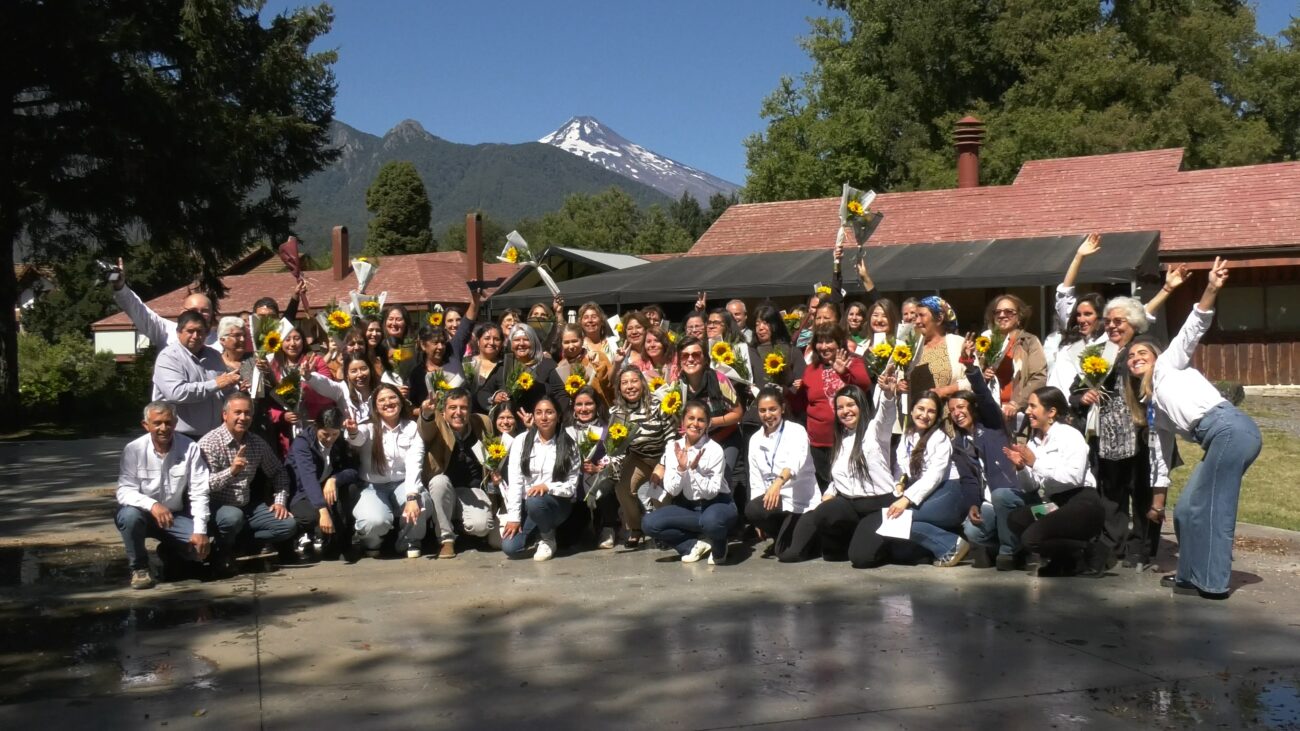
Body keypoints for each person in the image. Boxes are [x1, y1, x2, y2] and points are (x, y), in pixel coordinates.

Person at [1128, 258, 1261, 599]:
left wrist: (1212, 288)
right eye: (1130, 357)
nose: (1135, 357)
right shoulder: (1154, 412)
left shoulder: (1171, 364)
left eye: (1142, 351)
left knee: (1214, 506)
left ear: (1156, 356)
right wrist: (1158, 506)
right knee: (1187, 510)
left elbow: (1193, 327)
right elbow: (1159, 464)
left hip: (1229, 428)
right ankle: (1189, 576)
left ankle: (1213, 583)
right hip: (1219, 437)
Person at [779, 382, 897, 565]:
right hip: (850, 504)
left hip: (878, 506)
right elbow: (840, 475)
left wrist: (888, 394)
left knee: (861, 558)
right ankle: (849, 540)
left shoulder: (875, 431)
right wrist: (829, 493)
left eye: (851, 405)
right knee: (823, 513)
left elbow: (887, 414)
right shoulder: (841, 437)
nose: (845, 411)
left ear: (861, 405)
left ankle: (882, 541)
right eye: (840, 407)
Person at [1003, 387, 1104, 577]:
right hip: (1056, 505)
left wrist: (1035, 462)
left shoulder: (1069, 435)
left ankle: (1090, 550)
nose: (1027, 411)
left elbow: (1074, 477)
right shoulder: (1034, 443)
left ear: (1051, 412)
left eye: (1033, 406)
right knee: (1017, 519)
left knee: (1031, 538)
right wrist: (1022, 467)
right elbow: (1031, 486)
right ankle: (1066, 560)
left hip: (1082, 503)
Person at [115, 401, 211, 588]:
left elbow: (199, 491)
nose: (163, 428)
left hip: (174, 517)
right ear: (146, 425)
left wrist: (200, 531)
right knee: (129, 517)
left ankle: (170, 550)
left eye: (168, 423)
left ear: (175, 423)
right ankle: (139, 568)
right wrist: (152, 505)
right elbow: (124, 490)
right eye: (157, 423)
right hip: (142, 514)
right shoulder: (133, 449)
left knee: (201, 553)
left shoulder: (190, 447)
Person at [198, 392, 296, 570]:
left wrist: (280, 502)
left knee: (287, 525)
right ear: (225, 414)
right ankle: (223, 550)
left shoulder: (256, 442)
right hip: (218, 506)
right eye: (237, 412)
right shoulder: (209, 442)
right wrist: (232, 472)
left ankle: (241, 544)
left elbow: (278, 472)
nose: (243, 417)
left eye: (247, 413)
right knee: (232, 517)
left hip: (247, 505)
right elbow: (204, 486)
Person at [949, 341, 1020, 569]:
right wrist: (973, 504)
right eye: (952, 411)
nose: (957, 413)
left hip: (1011, 494)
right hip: (988, 501)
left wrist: (970, 367)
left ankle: (1009, 552)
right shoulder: (959, 443)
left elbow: (984, 395)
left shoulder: (992, 424)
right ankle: (1002, 545)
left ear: (972, 408)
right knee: (972, 530)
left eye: (961, 407)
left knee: (1001, 497)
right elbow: (969, 479)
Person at [643, 401, 739, 565]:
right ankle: (691, 546)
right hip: (690, 508)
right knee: (649, 523)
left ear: (708, 423)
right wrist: (681, 468)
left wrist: (694, 470)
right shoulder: (674, 447)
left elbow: (712, 492)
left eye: (701, 420)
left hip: (717, 504)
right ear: (683, 421)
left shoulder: (714, 449)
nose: (695, 423)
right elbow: (672, 491)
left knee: (711, 522)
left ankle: (719, 544)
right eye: (691, 418)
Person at [887, 390, 972, 567]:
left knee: (899, 518)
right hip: (929, 492)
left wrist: (906, 499)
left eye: (931, 411)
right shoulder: (907, 435)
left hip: (950, 492)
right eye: (920, 409)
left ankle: (950, 544)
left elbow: (935, 476)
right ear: (911, 410)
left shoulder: (939, 438)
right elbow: (900, 466)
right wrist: (899, 484)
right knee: (895, 521)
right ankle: (943, 541)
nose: (924, 415)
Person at [346, 383, 431, 559]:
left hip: (402, 483)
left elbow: (415, 462)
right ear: (375, 407)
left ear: (400, 401)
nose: (388, 402)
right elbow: (357, 439)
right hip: (372, 486)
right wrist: (352, 431)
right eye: (382, 400)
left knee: (421, 502)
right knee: (374, 521)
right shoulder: (367, 427)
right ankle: (371, 542)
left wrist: (412, 496)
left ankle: (409, 539)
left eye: (392, 397)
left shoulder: (412, 427)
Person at [420, 387, 501, 558]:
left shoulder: (482, 422)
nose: (458, 412)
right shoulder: (436, 423)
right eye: (453, 407)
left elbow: (494, 451)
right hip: (444, 490)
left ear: (470, 410)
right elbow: (424, 429)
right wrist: (426, 414)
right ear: (443, 411)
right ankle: (446, 540)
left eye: (463, 408)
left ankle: (458, 527)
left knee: (481, 527)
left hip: (472, 489)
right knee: (439, 481)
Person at [788, 324, 871, 489]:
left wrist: (844, 372)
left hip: (847, 439)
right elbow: (802, 404)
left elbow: (865, 384)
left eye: (829, 341)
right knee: (825, 486)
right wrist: (794, 391)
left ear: (839, 342)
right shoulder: (811, 369)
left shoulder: (853, 361)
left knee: (849, 483)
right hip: (818, 441)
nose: (824, 346)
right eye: (820, 342)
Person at [501, 396, 580, 561]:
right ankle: (538, 531)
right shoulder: (521, 441)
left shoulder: (569, 444)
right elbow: (515, 481)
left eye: (549, 412)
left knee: (535, 500)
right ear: (533, 417)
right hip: (529, 506)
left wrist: (547, 487)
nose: (544, 417)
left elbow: (571, 486)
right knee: (511, 548)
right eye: (539, 413)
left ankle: (547, 538)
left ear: (558, 416)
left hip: (556, 504)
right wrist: (514, 518)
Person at [606, 367, 677, 548]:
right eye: (625, 383)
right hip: (638, 458)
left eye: (634, 381)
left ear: (642, 383)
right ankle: (636, 528)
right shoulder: (617, 412)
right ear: (619, 388)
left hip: (663, 457)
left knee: (658, 497)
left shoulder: (658, 405)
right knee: (622, 487)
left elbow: (671, 437)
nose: (630, 386)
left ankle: (664, 531)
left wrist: (663, 464)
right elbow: (617, 445)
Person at [744, 387, 818, 557]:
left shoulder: (796, 431)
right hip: (777, 503)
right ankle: (782, 535)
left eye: (772, 409)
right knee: (752, 509)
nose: (768, 415)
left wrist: (778, 482)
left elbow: (795, 462)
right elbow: (756, 480)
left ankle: (812, 536)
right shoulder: (755, 439)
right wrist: (758, 520)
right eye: (763, 410)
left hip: (802, 502)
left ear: (783, 408)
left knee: (788, 555)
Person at [152, 310, 241, 439]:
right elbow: (176, 393)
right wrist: (216, 383)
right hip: (179, 436)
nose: (195, 336)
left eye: (200, 332)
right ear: (178, 333)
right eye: (190, 331)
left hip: (214, 434)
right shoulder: (169, 357)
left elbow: (220, 392)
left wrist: (233, 388)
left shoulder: (214, 356)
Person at [286, 408, 361, 561]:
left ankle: (342, 541)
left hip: (327, 487)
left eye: (334, 434)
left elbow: (353, 470)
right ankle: (305, 536)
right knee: (312, 515)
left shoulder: (339, 441)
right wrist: (322, 510)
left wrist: (334, 479)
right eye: (325, 434)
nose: (329, 439)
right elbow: (307, 477)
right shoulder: (302, 443)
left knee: (351, 490)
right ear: (316, 427)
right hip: (303, 492)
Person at [109, 257, 220, 347]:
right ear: (182, 313)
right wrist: (120, 286)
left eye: (204, 311)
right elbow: (138, 310)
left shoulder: (221, 343)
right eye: (193, 310)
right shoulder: (166, 331)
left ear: (212, 314)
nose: (199, 314)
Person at [981, 295, 1048, 423]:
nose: (1002, 315)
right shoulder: (985, 341)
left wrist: (1015, 404)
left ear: (1019, 317)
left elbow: (1038, 377)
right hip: (990, 412)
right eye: (997, 312)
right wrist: (984, 375)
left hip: (1019, 414)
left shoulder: (1029, 342)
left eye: (1009, 312)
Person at [906, 296, 968, 401]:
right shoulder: (910, 348)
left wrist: (946, 391)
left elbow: (973, 380)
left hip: (952, 413)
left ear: (939, 318)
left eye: (921, 315)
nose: (917, 321)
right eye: (916, 316)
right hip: (918, 415)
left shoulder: (958, 344)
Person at [504, 323, 568, 414]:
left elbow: (561, 394)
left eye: (526, 339)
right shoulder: (505, 365)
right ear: (511, 343)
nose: (521, 343)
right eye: (517, 340)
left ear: (534, 342)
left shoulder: (547, 365)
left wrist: (555, 417)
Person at [305, 352, 375, 425]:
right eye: (354, 371)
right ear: (347, 375)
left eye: (363, 369)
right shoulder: (342, 389)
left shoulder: (380, 390)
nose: (360, 374)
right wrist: (309, 376)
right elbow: (326, 384)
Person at [558, 323, 615, 408]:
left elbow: (612, 385)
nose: (571, 346)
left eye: (574, 341)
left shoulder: (597, 356)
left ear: (582, 340)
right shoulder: (561, 366)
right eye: (566, 342)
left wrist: (599, 369)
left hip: (602, 410)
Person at [465, 322, 508, 415]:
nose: (491, 342)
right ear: (478, 341)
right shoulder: (467, 363)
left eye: (496, 339)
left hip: (497, 419)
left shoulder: (506, 366)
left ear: (501, 343)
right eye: (487, 338)